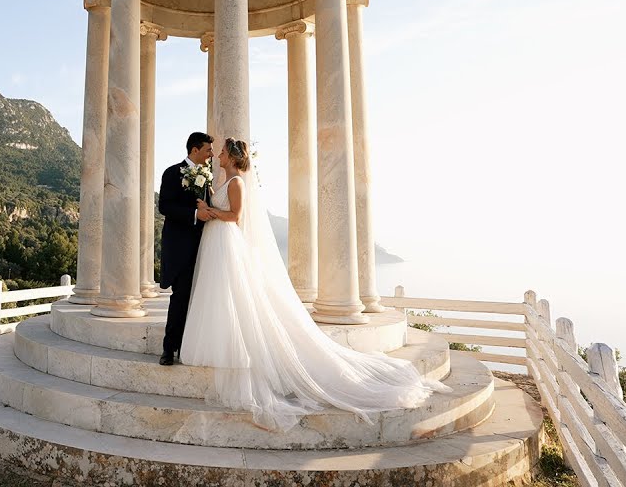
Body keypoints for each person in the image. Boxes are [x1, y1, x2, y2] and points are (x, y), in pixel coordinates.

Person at [181, 137, 449, 430]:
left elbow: (235, 216)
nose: (217, 154)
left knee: (235, 297)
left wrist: (209, 212)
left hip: (226, 242)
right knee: (222, 297)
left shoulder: (236, 184)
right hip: (218, 245)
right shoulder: (225, 179)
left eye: (221, 152)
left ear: (231, 157)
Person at [155, 131, 214, 367]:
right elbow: (165, 206)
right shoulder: (172, 173)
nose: (211, 154)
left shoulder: (209, 176)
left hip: (206, 247)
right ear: (195, 150)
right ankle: (169, 349)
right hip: (180, 248)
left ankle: (195, 347)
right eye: (208, 150)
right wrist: (194, 214)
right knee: (180, 298)